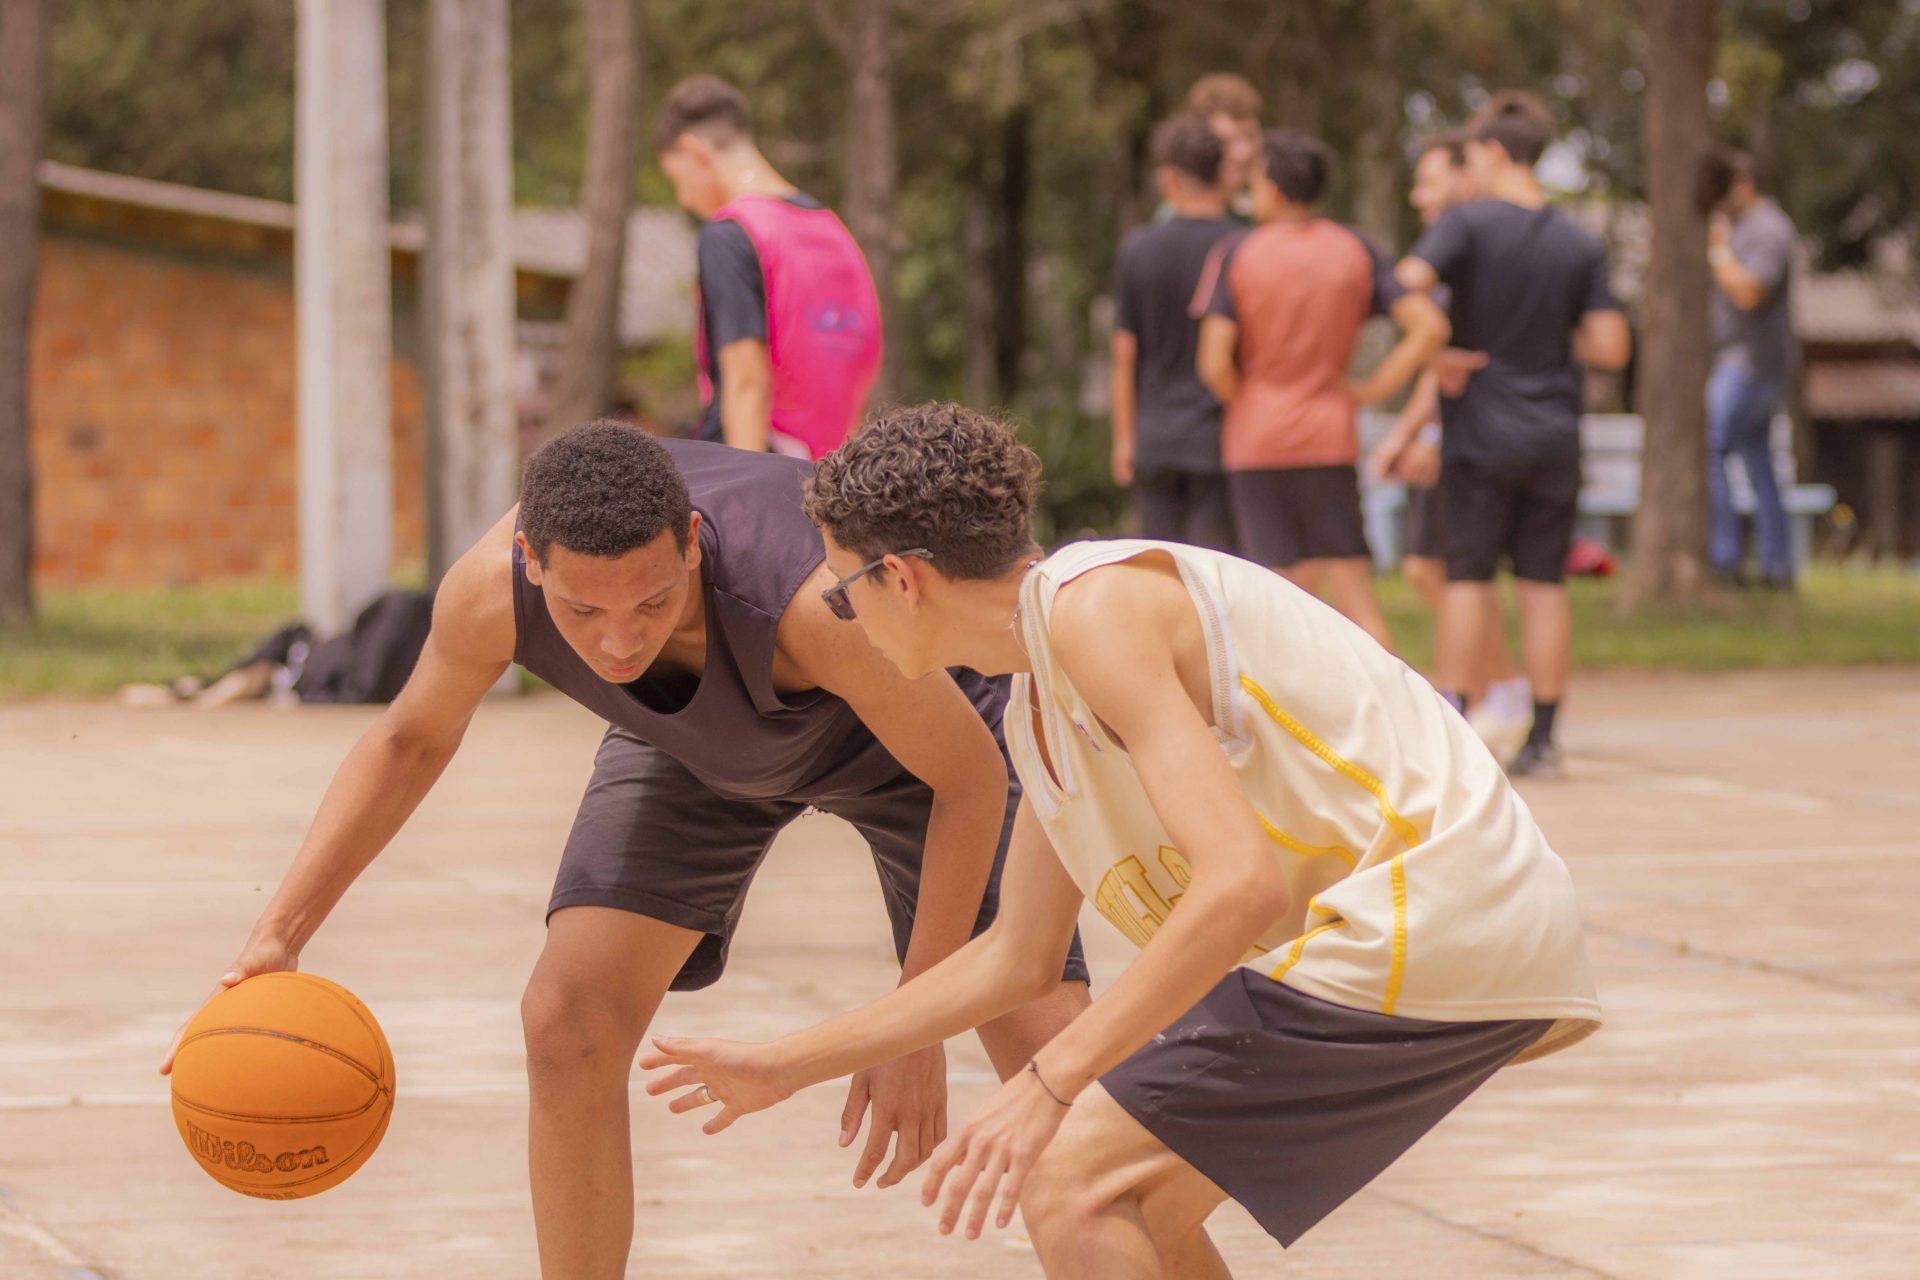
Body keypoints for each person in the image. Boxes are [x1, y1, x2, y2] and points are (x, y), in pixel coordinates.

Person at [639, 404, 1602, 1276]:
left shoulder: (1094, 608)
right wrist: (785, 1065)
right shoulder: (1041, 703)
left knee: (1074, 1183)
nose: (840, 617)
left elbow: (1240, 888)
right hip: (1428, 929)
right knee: (1137, 1209)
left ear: (903, 577)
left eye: (844, 592)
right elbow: (1015, 957)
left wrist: (1053, 1082)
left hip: (1429, 911)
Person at [160, 422, 1089, 1278]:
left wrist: (915, 1019)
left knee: (1059, 1082)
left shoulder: (812, 605)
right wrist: (279, 934)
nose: (618, 640)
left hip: (922, 755)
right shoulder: (493, 593)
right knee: (566, 1020)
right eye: (580, 611)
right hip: (699, 745)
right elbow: (408, 741)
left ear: (691, 538)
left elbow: (967, 782)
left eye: (652, 601)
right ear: (530, 562)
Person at [1394, 91, 1631, 778]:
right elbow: (1611, 345)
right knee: (1543, 586)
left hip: (1479, 437)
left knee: (1468, 579)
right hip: (1555, 433)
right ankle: (1544, 739)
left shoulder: (1466, 225)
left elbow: (1405, 282)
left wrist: (1435, 343)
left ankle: (1456, 732)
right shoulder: (1577, 240)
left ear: (1494, 152)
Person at [1196, 130, 1450, 650]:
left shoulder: (1238, 252)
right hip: (1329, 433)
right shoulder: (1355, 249)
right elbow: (1429, 327)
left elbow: (1213, 362)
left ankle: (1287, 728)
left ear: (1273, 190)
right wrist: (1373, 388)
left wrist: (1248, 400)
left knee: (1274, 598)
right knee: (1356, 593)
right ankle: (1389, 720)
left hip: (1258, 438)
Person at [1367, 128, 1532, 762]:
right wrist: (1410, 431)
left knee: (1451, 570)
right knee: (1431, 568)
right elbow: (1442, 366)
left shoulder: (1467, 252)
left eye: (1431, 179)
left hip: (1472, 437)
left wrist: (1426, 432)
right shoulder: (1450, 251)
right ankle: (1496, 688)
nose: (1418, 194)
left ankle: (1492, 692)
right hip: (1448, 429)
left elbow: (1463, 364)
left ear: (1468, 175)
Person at [655, 75, 883, 460]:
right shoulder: (835, 232)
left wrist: (749, 498)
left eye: (678, 181)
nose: (685, 200)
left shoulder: (731, 234)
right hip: (832, 474)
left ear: (695, 152)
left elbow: (747, 382)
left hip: (761, 465)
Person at [1109, 115, 1240, 553]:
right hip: (1224, 438)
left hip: (1154, 437)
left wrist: (1125, 439)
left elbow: (1124, 353)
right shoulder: (1243, 246)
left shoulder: (1137, 249)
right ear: (1224, 176)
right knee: (1218, 578)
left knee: (1162, 576)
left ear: (1168, 180)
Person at [1702, 146, 1798, 589]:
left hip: (1752, 364)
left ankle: (1726, 558)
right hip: (1747, 361)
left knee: (1712, 446)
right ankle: (1777, 567)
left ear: (1743, 184)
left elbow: (1750, 293)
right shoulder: (1749, 226)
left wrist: (1719, 250)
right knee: (1759, 463)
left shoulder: (1768, 229)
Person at [1182, 73, 1262, 217]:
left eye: (1251, 137)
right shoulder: (1184, 214)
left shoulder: (1256, 209)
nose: (1245, 152)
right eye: (1227, 141)